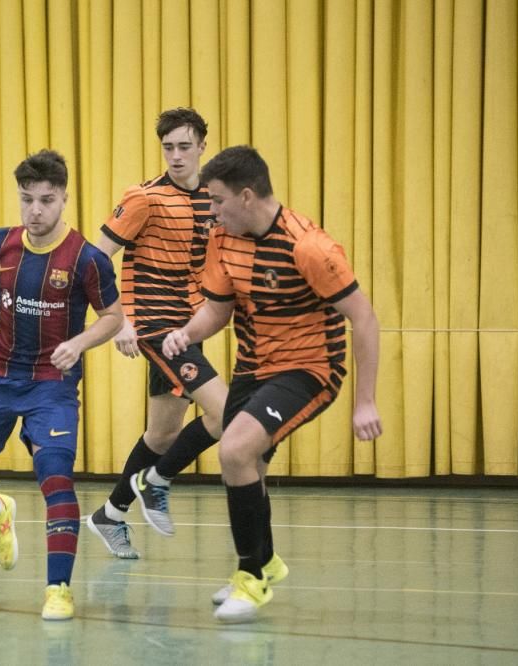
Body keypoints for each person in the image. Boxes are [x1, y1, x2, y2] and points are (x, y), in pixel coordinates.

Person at [163, 146, 382, 623]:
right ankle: (265, 560)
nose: (212, 212)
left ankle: (251, 578)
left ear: (246, 196)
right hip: (253, 366)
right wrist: (187, 332)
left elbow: (363, 319)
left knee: (235, 450)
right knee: (250, 462)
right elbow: (217, 311)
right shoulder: (223, 238)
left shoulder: (310, 247)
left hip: (309, 369)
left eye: (217, 201)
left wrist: (365, 402)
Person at [0, 149, 123, 621]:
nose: (35, 210)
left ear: (64, 198)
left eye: (46, 200)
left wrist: (79, 343)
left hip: (50, 385)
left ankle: (57, 590)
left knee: (57, 480)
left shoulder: (87, 259)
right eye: (27, 200)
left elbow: (113, 318)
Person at [85, 108, 229, 558]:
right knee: (225, 414)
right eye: (169, 147)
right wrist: (121, 319)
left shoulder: (214, 198)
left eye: (185, 146)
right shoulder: (144, 197)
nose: (177, 155)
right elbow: (94, 260)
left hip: (188, 328)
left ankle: (110, 514)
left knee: (162, 435)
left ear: (203, 146)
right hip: (153, 326)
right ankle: (156, 480)